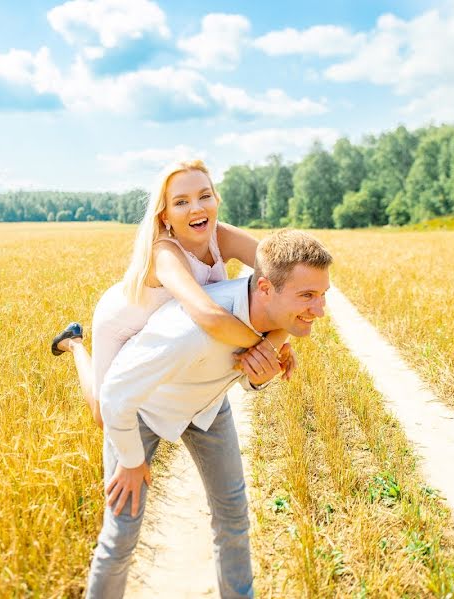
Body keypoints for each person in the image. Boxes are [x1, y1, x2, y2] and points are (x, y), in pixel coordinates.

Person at [87, 228, 333, 598]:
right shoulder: (188, 333)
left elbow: (241, 375)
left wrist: (260, 377)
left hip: (206, 409)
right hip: (145, 412)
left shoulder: (271, 321)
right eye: (307, 296)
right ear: (265, 289)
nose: (320, 310)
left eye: (322, 295)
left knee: (233, 517)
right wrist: (132, 460)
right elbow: (115, 395)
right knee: (122, 534)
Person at [51, 160, 293, 430]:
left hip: (164, 324)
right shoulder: (164, 252)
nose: (197, 208)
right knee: (104, 415)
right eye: (181, 202)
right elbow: (209, 317)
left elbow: (287, 279)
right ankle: (74, 343)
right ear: (165, 216)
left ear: (216, 199)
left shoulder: (222, 236)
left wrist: (277, 339)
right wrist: (268, 346)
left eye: (204, 196)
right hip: (122, 323)